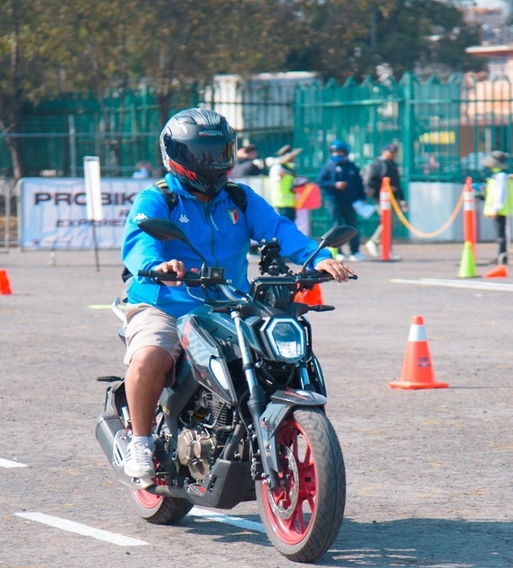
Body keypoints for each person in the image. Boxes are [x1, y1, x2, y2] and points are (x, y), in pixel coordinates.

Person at [120, 108, 355, 481]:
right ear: (176, 155)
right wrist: (158, 266)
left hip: (231, 302)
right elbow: (140, 242)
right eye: (201, 153)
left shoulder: (240, 199)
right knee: (150, 355)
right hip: (166, 301)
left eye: (218, 151)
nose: (211, 161)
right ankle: (142, 441)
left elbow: (278, 229)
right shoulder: (158, 200)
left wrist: (320, 258)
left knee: (276, 353)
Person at [317, 139, 366, 261]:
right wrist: (335, 185)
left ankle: (355, 251)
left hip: (350, 202)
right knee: (335, 226)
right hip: (334, 201)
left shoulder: (352, 167)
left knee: (353, 226)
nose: (337, 154)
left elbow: (359, 184)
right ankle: (337, 252)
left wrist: (362, 197)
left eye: (340, 152)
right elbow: (321, 182)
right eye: (334, 152)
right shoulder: (328, 166)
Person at [361, 143, 406, 257]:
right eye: (390, 152)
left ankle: (387, 248)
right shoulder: (377, 164)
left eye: (394, 153)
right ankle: (374, 242)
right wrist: (385, 187)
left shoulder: (393, 165)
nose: (392, 155)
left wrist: (402, 199)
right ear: (384, 152)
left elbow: (397, 184)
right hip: (381, 197)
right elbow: (370, 181)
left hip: (393, 198)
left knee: (391, 223)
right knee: (387, 221)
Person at [481, 150, 513, 265]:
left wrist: (496, 208)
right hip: (499, 209)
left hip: (500, 209)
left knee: (500, 234)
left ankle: (502, 256)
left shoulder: (501, 176)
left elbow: (501, 193)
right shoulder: (497, 176)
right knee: (499, 234)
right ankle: (501, 255)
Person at [268, 144, 305, 221]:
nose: (294, 158)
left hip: (290, 203)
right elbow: (275, 179)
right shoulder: (278, 167)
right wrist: (280, 176)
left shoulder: (289, 168)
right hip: (281, 203)